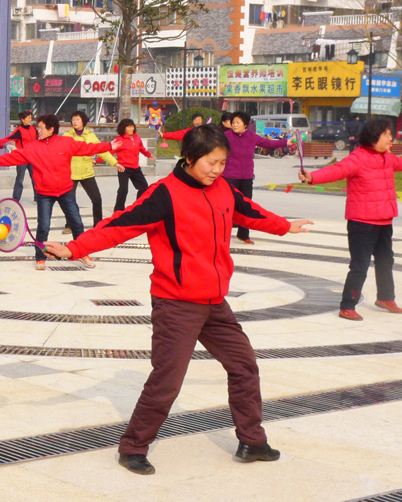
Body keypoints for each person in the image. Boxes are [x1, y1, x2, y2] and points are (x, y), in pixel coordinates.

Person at [44, 125, 313, 475]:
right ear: (189, 158)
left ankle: (252, 440)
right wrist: (75, 247)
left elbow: (249, 211)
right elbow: (120, 224)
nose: (217, 170)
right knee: (167, 380)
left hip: (215, 303)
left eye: (222, 162)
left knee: (244, 365)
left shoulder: (223, 189)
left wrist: (284, 225)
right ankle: (133, 447)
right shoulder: (164, 194)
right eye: (211, 163)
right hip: (177, 303)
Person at [299, 118, 402, 320]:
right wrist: (312, 177)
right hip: (362, 223)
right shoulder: (358, 158)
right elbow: (335, 171)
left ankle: (385, 298)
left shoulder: (386, 157)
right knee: (359, 265)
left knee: (385, 260)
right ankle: (347, 305)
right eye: (387, 134)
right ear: (374, 137)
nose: (391, 138)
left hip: (384, 221)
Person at [0, 114, 118, 270]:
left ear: (51, 129)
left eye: (40, 128)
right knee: (43, 226)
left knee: (77, 224)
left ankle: (82, 253)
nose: (38, 131)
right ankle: (40, 257)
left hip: (66, 191)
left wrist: (108, 146)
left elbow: (87, 148)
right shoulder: (33, 147)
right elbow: (14, 157)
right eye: (37, 128)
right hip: (44, 193)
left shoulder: (66, 143)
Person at [223, 111, 294, 244]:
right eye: (233, 122)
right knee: (228, 206)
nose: (234, 125)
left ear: (245, 124)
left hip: (247, 177)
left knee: (247, 206)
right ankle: (223, 233)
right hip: (230, 177)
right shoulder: (226, 136)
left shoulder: (252, 136)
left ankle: (243, 234)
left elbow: (268, 143)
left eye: (237, 122)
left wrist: (285, 142)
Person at [62, 111, 123, 233]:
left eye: (77, 119)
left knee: (96, 199)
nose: (75, 122)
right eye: (73, 119)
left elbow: (102, 151)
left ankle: (98, 224)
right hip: (71, 173)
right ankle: (69, 225)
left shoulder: (90, 135)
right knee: (69, 200)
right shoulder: (67, 135)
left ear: (83, 121)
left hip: (87, 172)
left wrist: (114, 163)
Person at [113, 118, 155, 212]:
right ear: (123, 128)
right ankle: (118, 210)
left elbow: (142, 149)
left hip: (135, 168)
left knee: (144, 187)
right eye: (128, 126)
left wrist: (148, 154)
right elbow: (109, 152)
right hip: (123, 168)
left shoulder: (137, 138)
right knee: (123, 190)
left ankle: (138, 207)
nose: (131, 128)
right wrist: (96, 161)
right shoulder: (119, 140)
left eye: (132, 126)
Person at [0, 109, 38, 201]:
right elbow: (9, 138)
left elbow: (39, 137)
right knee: (20, 179)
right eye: (28, 118)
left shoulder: (33, 129)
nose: (30, 119)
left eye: (31, 118)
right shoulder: (19, 131)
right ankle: (16, 199)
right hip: (22, 158)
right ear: (22, 119)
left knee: (36, 178)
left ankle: (38, 198)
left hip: (32, 157)